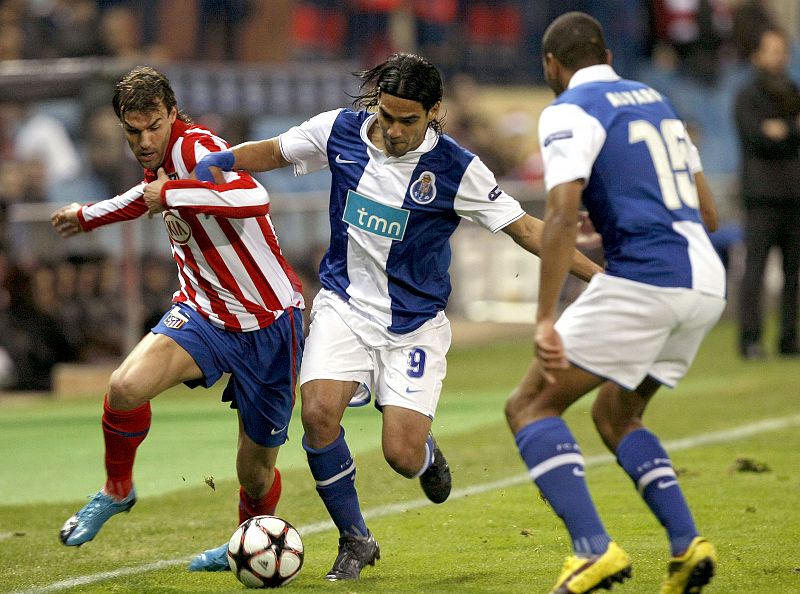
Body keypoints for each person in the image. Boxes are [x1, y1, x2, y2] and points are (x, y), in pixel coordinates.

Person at [195, 52, 602, 581]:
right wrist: (224, 160)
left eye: (407, 120)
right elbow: (274, 151)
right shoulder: (338, 132)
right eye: (386, 116)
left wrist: (599, 277)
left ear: (434, 112)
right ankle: (355, 539)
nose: (392, 130)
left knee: (401, 456)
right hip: (343, 305)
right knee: (317, 414)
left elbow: (524, 228)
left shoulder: (457, 169)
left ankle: (427, 455)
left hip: (414, 324)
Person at [503, 12, 726, 594]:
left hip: (648, 281)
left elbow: (556, 214)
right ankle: (686, 546)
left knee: (529, 406)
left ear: (552, 64)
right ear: (605, 52)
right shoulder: (656, 99)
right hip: (704, 281)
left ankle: (593, 550)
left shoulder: (570, 110)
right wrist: (619, 223)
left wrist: (546, 317)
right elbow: (707, 215)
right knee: (616, 414)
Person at [50, 66, 305, 572]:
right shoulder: (158, 162)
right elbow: (142, 198)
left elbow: (254, 197)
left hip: (268, 323)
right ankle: (117, 489)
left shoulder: (197, 149)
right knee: (125, 387)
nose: (145, 141)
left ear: (172, 115)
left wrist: (170, 194)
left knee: (254, 474)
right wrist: (87, 217)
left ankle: (242, 543)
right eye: (133, 131)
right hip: (203, 312)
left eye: (154, 128)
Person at [733, 26, 800, 360]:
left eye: (782, 50)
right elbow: (757, 137)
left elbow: (780, 134)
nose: (779, 57)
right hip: (760, 198)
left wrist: (782, 131)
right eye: (772, 50)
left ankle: (790, 338)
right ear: (758, 55)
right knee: (755, 272)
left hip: (793, 195)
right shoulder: (747, 95)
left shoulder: (793, 90)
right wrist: (789, 131)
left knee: (794, 274)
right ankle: (750, 340)